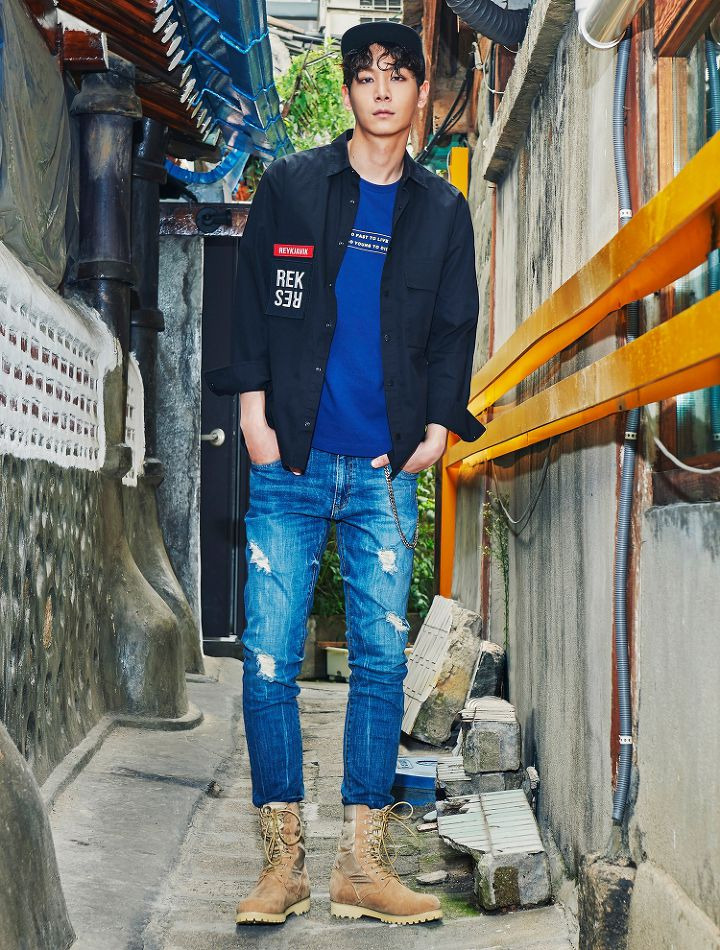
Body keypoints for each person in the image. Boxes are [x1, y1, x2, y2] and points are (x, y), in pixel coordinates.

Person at [204, 19, 485, 928]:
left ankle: (360, 865)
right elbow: (252, 302)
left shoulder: (443, 212)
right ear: (352, 90)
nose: (382, 89)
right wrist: (253, 418)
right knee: (269, 658)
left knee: (379, 661)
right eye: (365, 74)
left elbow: (453, 329)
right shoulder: (291, 188)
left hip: (382, 473)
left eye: (398, 74)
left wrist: (436, 428)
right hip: (288, 460)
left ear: (422, 93)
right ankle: (282, 863)